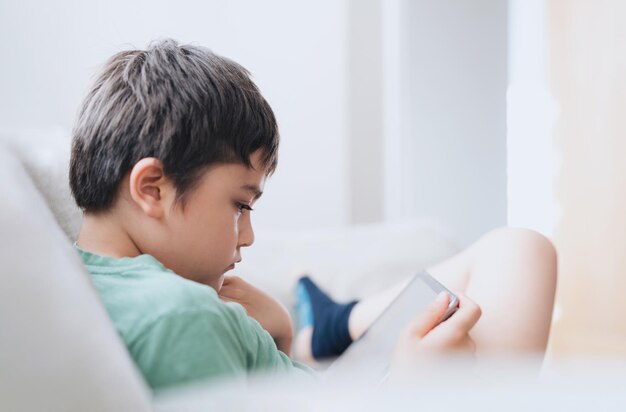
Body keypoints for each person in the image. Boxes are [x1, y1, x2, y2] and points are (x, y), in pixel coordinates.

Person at [70, 39, 556, 392]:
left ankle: (324, 327)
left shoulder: (99, 282)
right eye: (240, 205)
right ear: (151, 188)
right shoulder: (176, 317)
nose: (249, 236)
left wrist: (278, 336)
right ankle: (331, 327)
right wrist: (411, 393)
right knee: (524, 256)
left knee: (521, 250)